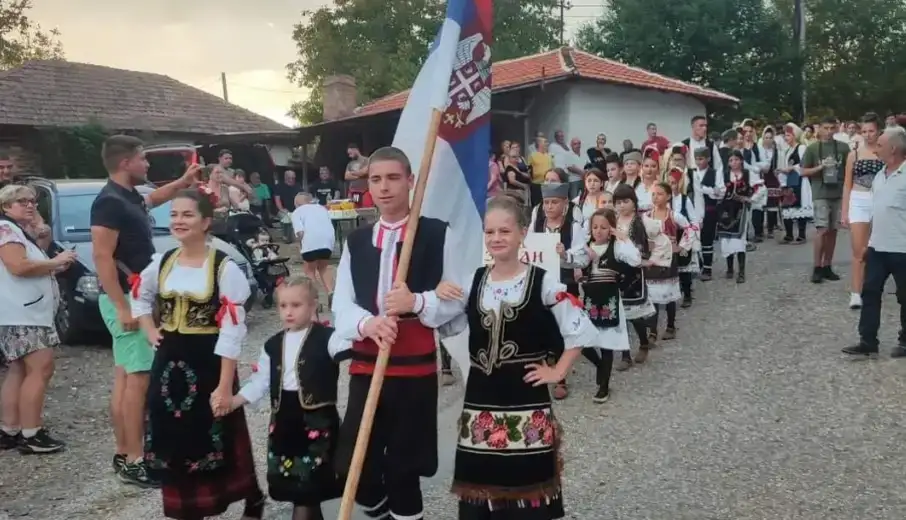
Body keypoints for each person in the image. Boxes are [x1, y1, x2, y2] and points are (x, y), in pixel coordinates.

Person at [440, 195, 600, 520]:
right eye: (490, 232)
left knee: (527, 488)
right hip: (482, 398)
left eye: (504, 231)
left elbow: (579, 328)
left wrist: (557, 372)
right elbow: (444, 318)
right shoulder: (474, 280)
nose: (496, 238)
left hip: (525, 397)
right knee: (481, 482)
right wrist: (435, 292)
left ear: (522, 233)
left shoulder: (543, 281)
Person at [329, 146, 462, 520]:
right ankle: (380, 507)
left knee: (405, 466)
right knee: (354, 462)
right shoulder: (356, 241)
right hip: (367, 364)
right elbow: (342, 303)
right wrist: (367, 323)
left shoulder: (436, 234)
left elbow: (457, 299)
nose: (383, 187)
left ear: (410, 181)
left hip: (414, 368)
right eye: (375, 179)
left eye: (392, 178)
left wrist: (416, 302)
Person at [133, 189, 264, 519]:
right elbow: (140, 295)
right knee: (171, 433)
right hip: (168, 364)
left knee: (213, 432)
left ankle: (245, 493)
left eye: (187, 215)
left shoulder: (224, 268)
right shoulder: (162, 262)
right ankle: (183, 509)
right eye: (174, 214)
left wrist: (224, 385)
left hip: (209, 360)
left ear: (206, 222)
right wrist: (149, 329)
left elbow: (233, 330)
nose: (178, 221)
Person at [90, 135, 201, 487]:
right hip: (127, 299)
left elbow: (151, 199)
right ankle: (136, 459)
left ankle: (126, 453)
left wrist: (182, 185)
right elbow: (102, 257)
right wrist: (124, 306)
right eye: (143, 159)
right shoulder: (108, 202)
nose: (148, 165)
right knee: (137, 380)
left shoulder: (126, 197)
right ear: (126, 163)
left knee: (126, 376)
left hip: (132, 298)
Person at [232, 276, 344, 520]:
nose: (288, 312)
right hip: (284, 423)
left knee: (309, 491)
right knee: (299, 492)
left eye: (296, 305)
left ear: (313, 305)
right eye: (283, 306)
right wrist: (235, 400)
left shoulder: (329, 338)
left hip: (317, 424)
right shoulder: (272, 345)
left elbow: (352, 348)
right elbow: (261, 381)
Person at [0, 185, 77, 453]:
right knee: (41, 368)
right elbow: (18, 266)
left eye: (32, 201)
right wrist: (57, 261)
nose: (30, 205)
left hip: (21, 312)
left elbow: (32, 259)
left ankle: (10, 429)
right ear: (6, 206)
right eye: (21, 201)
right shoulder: (7, 230)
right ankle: (32, 434)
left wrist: (51, 260)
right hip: (24, 313)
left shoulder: (17, 230)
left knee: (19, 369)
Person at [563, 207, 641, 402]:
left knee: (607, 345)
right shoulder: (586, 247)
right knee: (581, 341)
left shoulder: (617, 247)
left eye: (604, 227)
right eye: (595, 227)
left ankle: (604, 386)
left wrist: (624, 238)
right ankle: (599, 365)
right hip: (589, 301)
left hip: (610, 301)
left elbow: (635, 259)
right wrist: (563, 255)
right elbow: (571, 261)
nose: (599, 231)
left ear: (612, 229)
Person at [842, 127, 906, 357]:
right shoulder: (880, 175)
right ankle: (868, 341)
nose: (875, 149)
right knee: (870, 291)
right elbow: (876, 210)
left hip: (902, 247)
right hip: (878, 246)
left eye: (880, 145)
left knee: (904, 295)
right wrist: (869, 241)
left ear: (894, 149)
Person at [536, 182, 598, 400]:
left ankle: (598, 363)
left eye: (554, 202)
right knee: (546, 332)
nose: (549, 207)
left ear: (564, 204)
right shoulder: (536, 225)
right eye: (546, 202)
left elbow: (583, 258)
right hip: (541, 286)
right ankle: (555, 377)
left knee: (568, 330)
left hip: (565, 285)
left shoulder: (573, 228)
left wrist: (565, 256)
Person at [841, 112, 885, 310]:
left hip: (880, 201)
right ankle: (856, 292)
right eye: (864, 131)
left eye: (871, 131)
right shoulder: (854, 154)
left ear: (879, 131)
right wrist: (844, 212)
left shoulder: (886, 153)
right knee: (858, 250)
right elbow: (847, 185)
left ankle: (872, 286)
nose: (868, 135)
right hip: (859, 200)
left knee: (877, 249)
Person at [802, 116, 850, 283]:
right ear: (820, 129)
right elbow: (803, 171)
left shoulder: (843, 148)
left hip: (838, 192)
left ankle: (828, 265)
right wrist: (821, 167)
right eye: (826, 128)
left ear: (836, 129)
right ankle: (817, 266)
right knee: (822, 230)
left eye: (832, 128)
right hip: (820, 192)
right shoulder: (813, 148)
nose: (829, 132)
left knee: (833, 231)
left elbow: (849, 170)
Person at [613, 184, 656, 368]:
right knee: (619, 316)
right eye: (618, 202)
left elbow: (640, 248)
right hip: (616, 271)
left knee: (634, 315)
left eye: (626, 201)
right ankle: (625, 355)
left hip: (633, 273)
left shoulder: (637, 223)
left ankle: (643, 343)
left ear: (634, 202)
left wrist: (625, 242)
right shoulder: (613, 220)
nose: (622, 205)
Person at [717, 150, 757, 284]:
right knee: (727, 237)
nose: (733, 163)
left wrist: (748, 198)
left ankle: (741, 271)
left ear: (741, 160)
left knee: (739, 240)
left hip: (741, 210)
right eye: (731, 160)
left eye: (736, 159)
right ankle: (729, 268)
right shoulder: (724, 175)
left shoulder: (747, 174)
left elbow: (759, 189)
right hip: (726, 210)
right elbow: (719, 190)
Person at [291, 193, 336, 303]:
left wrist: (299, 244)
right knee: (323, 267)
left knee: (309, 270)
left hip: (311, 242)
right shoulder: (322, 208)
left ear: (297, 203)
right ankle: (330, 292)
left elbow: (300, 232)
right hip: (327, 242)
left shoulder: (297, 212)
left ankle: (315, 299)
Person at [778, 124, 813, 244]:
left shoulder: (801, 147)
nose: (786, 138)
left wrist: (792, 168)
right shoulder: (788, 150)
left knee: (799, 206)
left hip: (799, 181)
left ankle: (801, 235)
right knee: (787, 206)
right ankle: (789, 234)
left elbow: (805, 164)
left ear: (794, 136)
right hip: (789, 181)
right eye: (785, 135)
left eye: (788, 135)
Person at [274, 170, 303, 243]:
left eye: (293, 178)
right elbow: (277, 200)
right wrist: (281, 209)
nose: (292, 180)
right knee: (285, 216)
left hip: (296, 209)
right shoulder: (279, 186)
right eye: (290, 178)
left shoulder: (298, 186)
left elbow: (302, 197)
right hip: (283, 209)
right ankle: (286, 236)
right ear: (285, 178)